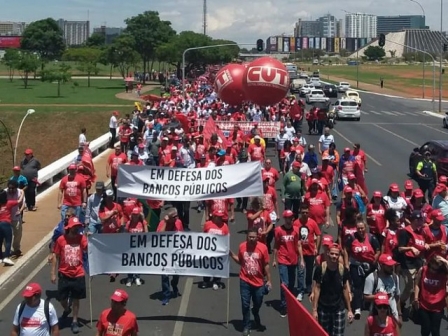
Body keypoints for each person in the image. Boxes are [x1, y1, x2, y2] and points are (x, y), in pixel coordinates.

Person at [230, 227, 272, 336]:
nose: (252, 239)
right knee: (245, 304)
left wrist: (269, 280)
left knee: (258, 302)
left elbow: (266, 265)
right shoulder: (242, 246)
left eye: (254, 237)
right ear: (247, 237)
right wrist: (231, 254)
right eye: (250, 237)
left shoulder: (263, 248)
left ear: (257, 237)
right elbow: (240, 261)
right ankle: (246, 326)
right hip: (245, 280)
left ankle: (255, 311)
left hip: (258, 282)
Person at [51, 217, 88, 334]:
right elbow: (55, 257)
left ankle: (75, 320)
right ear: (69, 228)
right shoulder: (61, 240)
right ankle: (67, 309)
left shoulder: (82, 238)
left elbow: (89, 249)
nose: (77, 229)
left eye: (78, 227)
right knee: (62, 298)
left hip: (78, 273)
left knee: (76, 299)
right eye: (75, 227)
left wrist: (91, 239)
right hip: (64, 273)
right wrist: (53, 273)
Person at [311, 243, 354, 336]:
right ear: (327, 253)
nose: (334, 256)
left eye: (336, 254)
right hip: (323, 308)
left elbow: (345, 289)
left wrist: (350, 310)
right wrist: (314, 310)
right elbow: (317, 288)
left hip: (338, 308)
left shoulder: (343, 270)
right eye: (332, 253)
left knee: (338, 334)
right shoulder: (320, 269)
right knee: (323, 333)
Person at [272, 210, 300, 317]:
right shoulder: (278, 230)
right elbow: (276, 245)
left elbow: (298, 245)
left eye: (291, 217)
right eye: (288, 218)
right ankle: (284, 305)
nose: (290, 219)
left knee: (292, 284)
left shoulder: (296, 230)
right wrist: (274, 259)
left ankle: (290, 303)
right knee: (285, 283)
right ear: (285, 219)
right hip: (282, 260)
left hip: (293, 260)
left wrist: (301, 259)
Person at [414, 255, 448, 336]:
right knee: (425, 330)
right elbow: (417, 284)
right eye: (431, 267)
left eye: (435, 269)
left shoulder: (443, 274)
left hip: (437, 307)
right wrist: (416, 298)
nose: (432, 270)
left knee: (435, 331)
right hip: (424, 305)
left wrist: (445, 261)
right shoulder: (423, 270)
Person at [363, 254, 402, 324]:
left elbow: (397, 296)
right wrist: (380, 296)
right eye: (389, 266)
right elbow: (366, 297)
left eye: (392, 265)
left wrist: (399, 314)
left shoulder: (395, 278)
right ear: (381, 265)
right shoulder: (371, 278)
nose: (392, 268)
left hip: (393, 316)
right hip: (376, 316)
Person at [157, 208, 183, 305]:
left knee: (176, 273)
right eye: (174, 217)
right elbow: (159, 235)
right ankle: (166, 295)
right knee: (164, 275)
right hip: (165, 254)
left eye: (177, 216)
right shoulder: (162, 223)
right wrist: (165, 223)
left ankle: (174, 284)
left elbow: (183, 236)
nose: (176, 218)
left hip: (176, 253)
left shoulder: (179, 222)